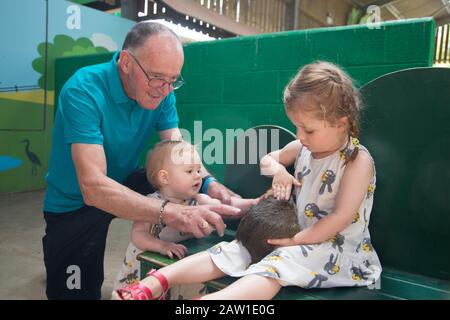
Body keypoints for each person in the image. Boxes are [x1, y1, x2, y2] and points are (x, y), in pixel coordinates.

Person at [112, 61, 382, 300]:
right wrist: (278, 170)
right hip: (292, 237)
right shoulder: (303, 148)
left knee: (276, 265)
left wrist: (296, 240)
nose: (300, 135)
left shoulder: (356, 160)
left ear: (341, 122)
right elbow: (268, 159)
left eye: (308, 129)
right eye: (296, 127)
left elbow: (341, 218)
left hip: (334, 249)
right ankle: (152, 284)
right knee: (234, 250)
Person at [42, 22, 241, 300]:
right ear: (125, 62)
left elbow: (178, 152)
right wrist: (173, 212)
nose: (164, 89)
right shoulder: (83, 90)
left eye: (173, 80)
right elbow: (94, 187)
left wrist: (209, 183)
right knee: (77, 291)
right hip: (76, 201)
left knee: (180, 183)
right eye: (157, 77)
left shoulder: (164, 91)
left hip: (124, 178)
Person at [112, 140, 257, 299]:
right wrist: (161, 245)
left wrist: (254, 203)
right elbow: (138, 235)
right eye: (189, 171)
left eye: (198, 170)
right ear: (164, 177)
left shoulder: (199, 199)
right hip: (146, 264)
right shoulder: (151, 204)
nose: (197, 176)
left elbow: (228, 207)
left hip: (179, 261)